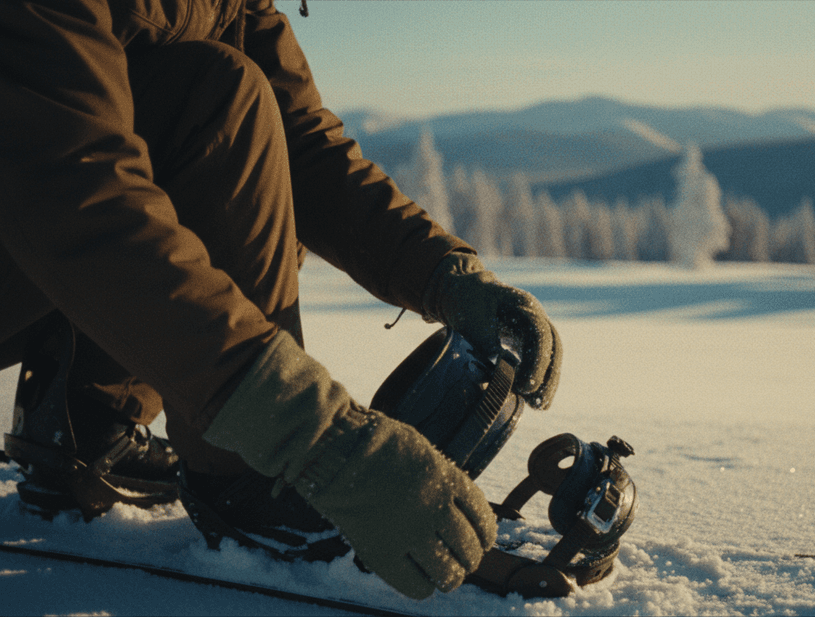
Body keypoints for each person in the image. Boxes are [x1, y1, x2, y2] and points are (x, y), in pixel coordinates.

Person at [0, 0, 561, 600]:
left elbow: (304, 152)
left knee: (230, 118)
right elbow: (76, 196)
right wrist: (313, 441)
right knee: (217, 97)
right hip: (42, 209)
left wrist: (446, 277)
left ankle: (85, 413)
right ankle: (246, 483)